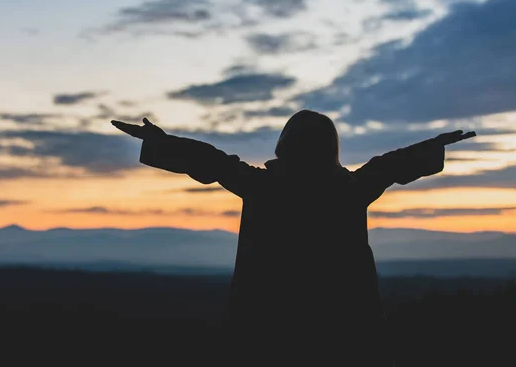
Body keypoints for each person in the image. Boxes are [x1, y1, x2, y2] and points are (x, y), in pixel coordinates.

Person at [111, 110, 476, 364]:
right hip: (345, 335)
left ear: (286, 144)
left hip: (269, 333)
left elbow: (211, 161)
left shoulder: (263, 187)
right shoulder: (350, 189)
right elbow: (389, 165)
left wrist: (161, 142)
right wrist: (433, 146)